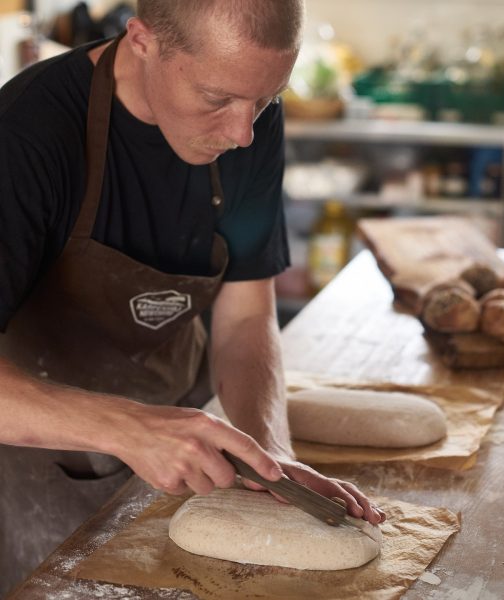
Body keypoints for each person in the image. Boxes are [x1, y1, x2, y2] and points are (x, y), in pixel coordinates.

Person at [0, 0, 384, 594]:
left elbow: (245, 315)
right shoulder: (27, 135)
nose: (243, 133)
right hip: (38, 460)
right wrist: (130, 428)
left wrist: (269, 458)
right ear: (142, 40)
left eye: (267, 100)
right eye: (216, 99)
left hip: (184, 452)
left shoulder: (248, 115)